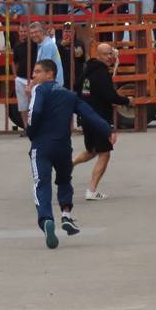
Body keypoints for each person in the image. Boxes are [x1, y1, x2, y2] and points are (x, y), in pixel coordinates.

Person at [26, 59, 115, 249]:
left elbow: (35, 112)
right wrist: (108, 130)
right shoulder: (69, 95)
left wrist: (31, 133)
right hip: (63, 146)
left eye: (38, 72)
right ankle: (66, 214)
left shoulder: (39, 90)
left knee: (41, 183)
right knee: (64, 180)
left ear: (50, 74)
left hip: (41, 146)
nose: (34, 76)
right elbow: (89, 114)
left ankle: (46, 219)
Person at [73, 43, 133, 200]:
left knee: (92, 150)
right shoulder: (101, 73)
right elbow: (110, 96)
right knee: (105, 153)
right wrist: (126, 100)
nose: (109, 57)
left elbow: (76, 87)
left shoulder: (87, 70)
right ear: (98, 55)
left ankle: (70, 164)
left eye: (110, 54)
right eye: (106, 54)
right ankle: (92, 190)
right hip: (99, 119)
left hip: (86, 116)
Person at [13, 20, 38, 131]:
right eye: (21, 31)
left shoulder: (34, 44)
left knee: (34, 104)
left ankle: (35, 126)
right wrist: (15, 76)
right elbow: (14, 62)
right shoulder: (17, 46)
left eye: (24, 31)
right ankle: (26, 128)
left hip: (33, 79)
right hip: (21, 78)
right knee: (22, 105)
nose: (22, 33)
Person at [29, 21, 63, 87]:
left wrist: (32, 84)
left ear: (42, 32)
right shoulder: (44, 44)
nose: (33, 35)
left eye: (36, 32)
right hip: (51, 84)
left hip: (52, 85)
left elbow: (43, 69)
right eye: (31, 33)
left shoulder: (47, 45)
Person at [58, 22, 85, 91]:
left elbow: (83, 60)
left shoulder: (79, 43)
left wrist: (80, 54)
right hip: (64, 76)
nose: (67, 33)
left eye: (70, 31)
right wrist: (61, 46)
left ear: (74, 32)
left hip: (77, 76)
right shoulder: (59, 43)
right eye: (65, 31)